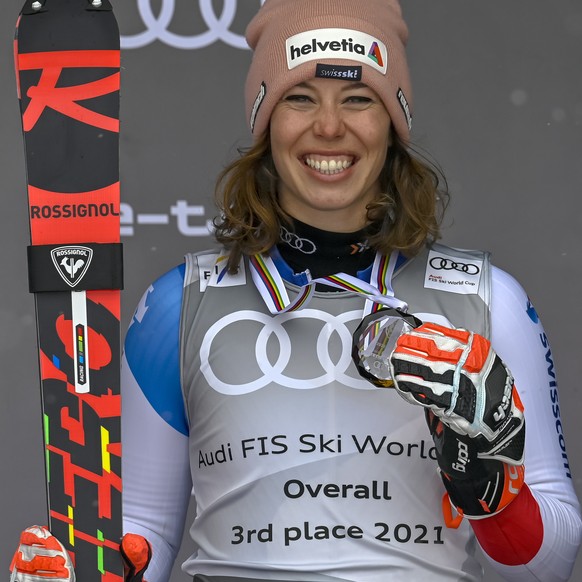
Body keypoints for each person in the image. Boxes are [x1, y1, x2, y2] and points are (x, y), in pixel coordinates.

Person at [11, 0, 582, 581]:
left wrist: (498, 499)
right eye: (299, 98)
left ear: (393, 120)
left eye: (359, 98)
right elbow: (142, 529)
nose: (329, 127)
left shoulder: (486, 301)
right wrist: (94, 571)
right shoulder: (180, 305)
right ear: (266, 121)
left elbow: (550, 567)